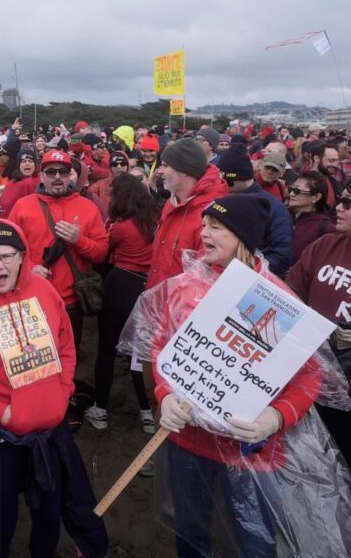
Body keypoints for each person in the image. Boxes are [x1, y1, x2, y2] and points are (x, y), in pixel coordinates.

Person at [120, 194, 348, 556]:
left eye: (216, 227)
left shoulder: (276, 298)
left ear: (242, 237)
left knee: (255, 541)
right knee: (191, 532)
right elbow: (163, 347)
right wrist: (166, 396)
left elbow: (309, 377)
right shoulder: (184, 287)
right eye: (205, 224)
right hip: (187, 441)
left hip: (250, 450)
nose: (203, 232)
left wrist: (276, 416)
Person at [0, 220, 108, 558]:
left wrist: (62, 393)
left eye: (5, 256)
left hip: (51, 430)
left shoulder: (45, 292)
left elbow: (66, 347)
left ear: (22, 257)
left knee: (49, 511)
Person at [8, 150, 108, 349]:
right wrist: (28, 269)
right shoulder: (22, 206)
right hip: (31, 299)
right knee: (32, 358)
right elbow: (7, 252)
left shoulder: (88, 207)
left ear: (71, 175)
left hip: (70, 303)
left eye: (63, 172)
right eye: (51, 172)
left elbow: (101, 253)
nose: (57, 177)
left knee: (68, 357)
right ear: (42, 175)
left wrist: (78, 240)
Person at [84, 173, 156, 432]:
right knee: (139, 354)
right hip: (147, 289)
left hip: (120, 284)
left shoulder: (121, 226)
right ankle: (147, 413)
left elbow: (102, 251)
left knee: (106, 349)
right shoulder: (153, 221)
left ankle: (100, 410)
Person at [287, 183, 351, 464]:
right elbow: (289, 297)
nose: (338, 207)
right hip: (308, 382)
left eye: (348, 203)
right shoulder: (325, 245)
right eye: (341, 200)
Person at [146, 137, 228, 289]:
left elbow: (207, 278)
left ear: (183, 172)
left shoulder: (211, 216)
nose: (160, 171)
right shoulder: (172, 201)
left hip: (181, 307)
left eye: (165, 165)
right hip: (157, 300)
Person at [216, 142, 293, 276]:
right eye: (221, 181)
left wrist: (245, 271)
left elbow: (282, 256)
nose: (224, 186)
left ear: (242, 177)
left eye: (228, 182)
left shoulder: (274, 208)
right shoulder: (220, 198)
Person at [286, 171, 334, 265]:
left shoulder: (325, 228)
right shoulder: (282, 214)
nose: (291, 194)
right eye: (291, 189)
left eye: (297, 191)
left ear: (316, 197)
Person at [0, 148, 41, 218]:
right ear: (19, 166)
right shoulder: (11, 184)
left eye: (30, 161)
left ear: (35, 165)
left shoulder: (40, 182)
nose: (27, 164)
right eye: (23, 161)